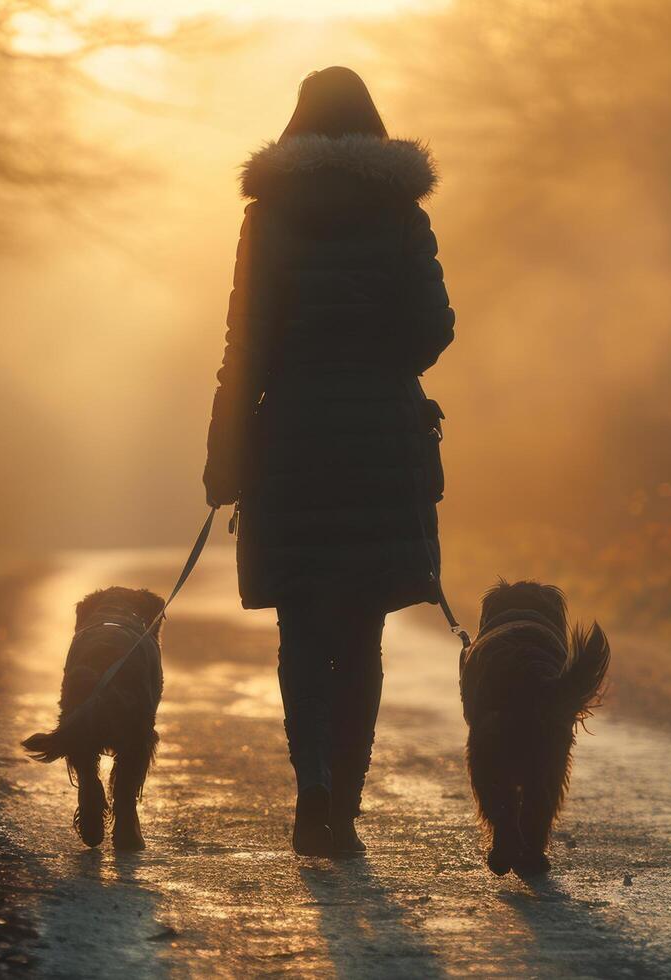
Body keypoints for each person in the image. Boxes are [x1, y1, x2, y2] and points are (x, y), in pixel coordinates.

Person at [203, 66, 455, 856]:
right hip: (381, 438)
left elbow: (243, 346)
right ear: (374, 128)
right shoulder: (400, 216)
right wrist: (382, 360)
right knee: (362, 633)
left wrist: (225, 458)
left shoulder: (266, 217)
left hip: (293, 441)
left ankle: (310, 789)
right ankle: (344, 807)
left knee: (302, 630)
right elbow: (433, 330)